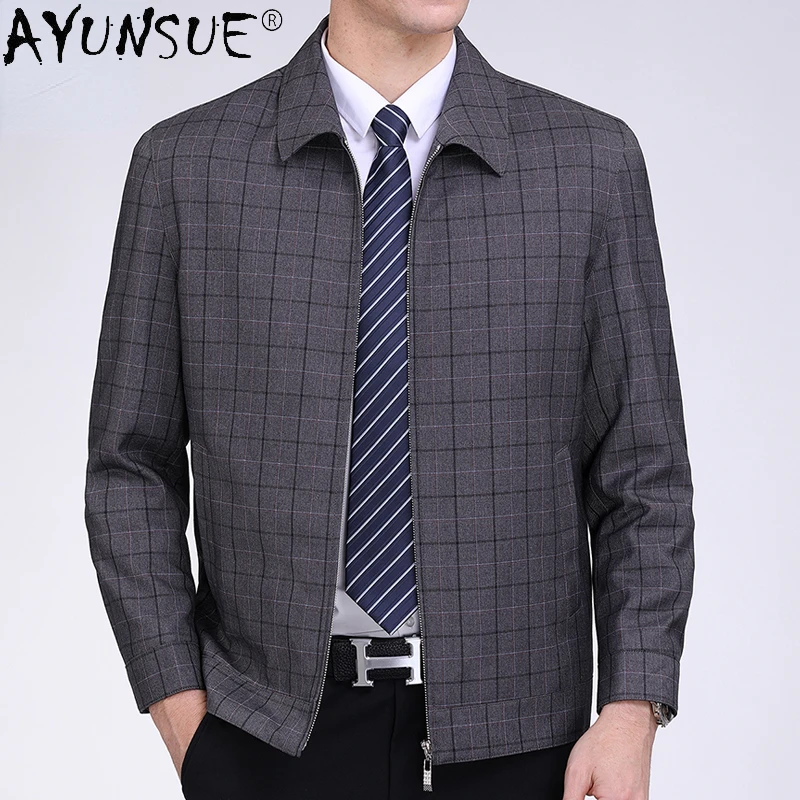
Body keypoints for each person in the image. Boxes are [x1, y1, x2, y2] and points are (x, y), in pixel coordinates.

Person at [84, 2, 695, 798]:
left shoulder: (588, 163)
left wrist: (631, 709)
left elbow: (643, 471)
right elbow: (130, 466)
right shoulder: (186, 166)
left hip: (523, 743)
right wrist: (184, 719)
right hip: (265, 736)